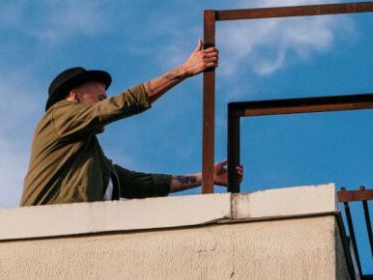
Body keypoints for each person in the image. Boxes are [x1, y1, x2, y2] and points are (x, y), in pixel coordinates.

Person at [21, 40, 242, 206]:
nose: (105, 102)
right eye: (100, 99)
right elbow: (121, 104)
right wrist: (183, 71)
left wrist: (205, 177)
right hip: (43, 241)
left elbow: (141, 183)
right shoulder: (57, 117)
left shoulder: (93, 161)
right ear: (75, 96)